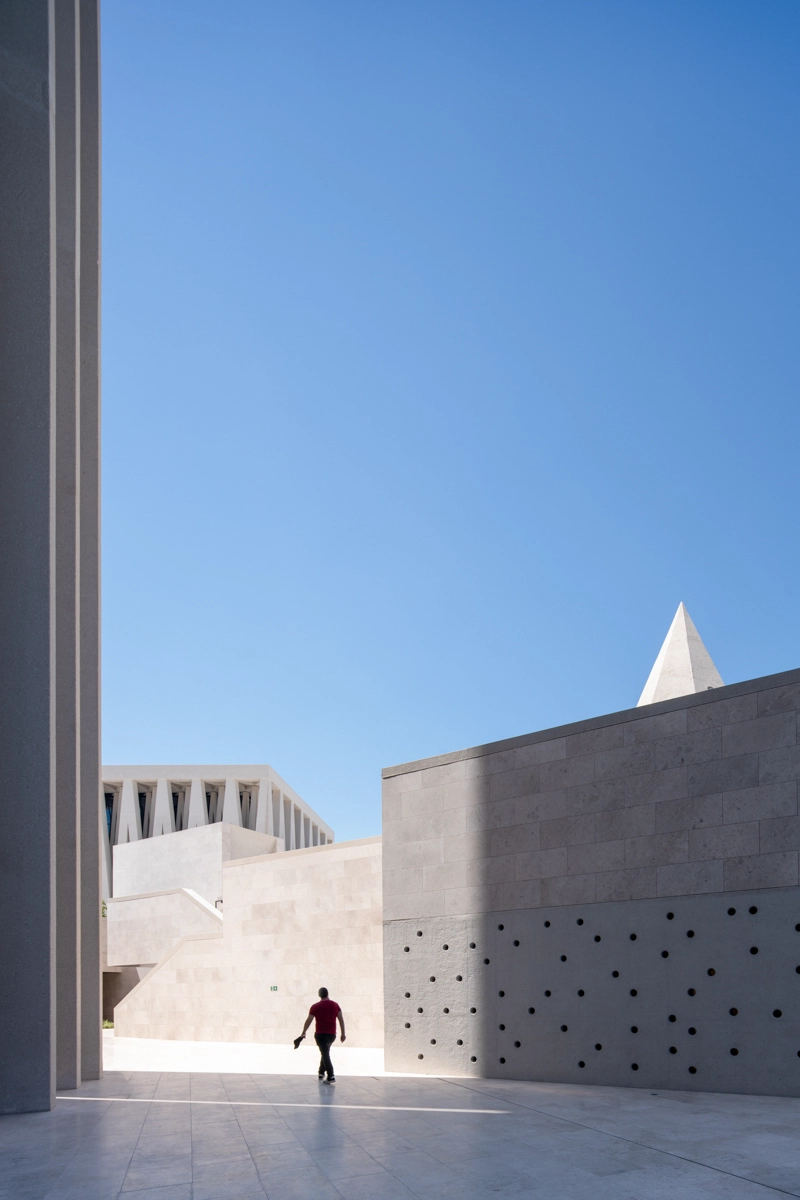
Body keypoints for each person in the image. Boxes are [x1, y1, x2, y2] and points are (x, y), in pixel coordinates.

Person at [296, 987, 345, 1083]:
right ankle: (321, 1072)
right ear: (328, 994)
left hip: (320, 1034)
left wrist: (304, 1031)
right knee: (325, 1052)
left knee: (325, 1053)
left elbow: (308, 1020)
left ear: (319, 995)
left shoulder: (315, 1006)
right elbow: (341, 1020)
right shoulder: (335, 1005)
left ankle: (331, 1076)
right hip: (332, 1035)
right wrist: (343, 1033)